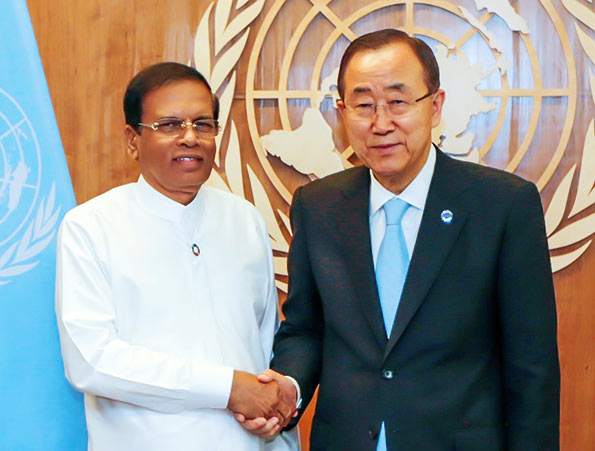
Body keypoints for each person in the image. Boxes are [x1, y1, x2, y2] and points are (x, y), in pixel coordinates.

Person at [240, 29, 560, 450]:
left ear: (436, 106)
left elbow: (531, 367)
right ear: (341, 112)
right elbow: (306, 329)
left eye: (398, 101)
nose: (381, 123)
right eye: (364, 105)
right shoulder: (318, 207)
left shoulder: (503, 205)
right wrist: (288, 391)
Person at [55, 62, 298, 451]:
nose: (190, 138)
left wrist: (273, 416)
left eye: (203, 124)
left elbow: (263, 346)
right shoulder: (90, 226)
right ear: (132, 140)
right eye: (169, 125)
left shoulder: (244, 220)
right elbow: (92, 361)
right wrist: (226, 388)